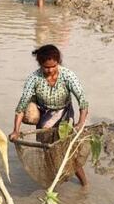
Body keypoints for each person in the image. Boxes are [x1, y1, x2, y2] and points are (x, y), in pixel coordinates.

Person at [10, 45, 89, 185]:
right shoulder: (34, 78)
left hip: (64, 113)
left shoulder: (67, 75)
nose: (50, 70)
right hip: (45, 115)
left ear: (58, 62)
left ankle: (84, 184)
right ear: (40, 65)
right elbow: (21, 106)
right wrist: (16, 131)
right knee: (48, 151)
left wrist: (81, 123)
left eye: (54, 66)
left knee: (68, 152)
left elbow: (82, 101)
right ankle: (52, 183)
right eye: (46, 67)